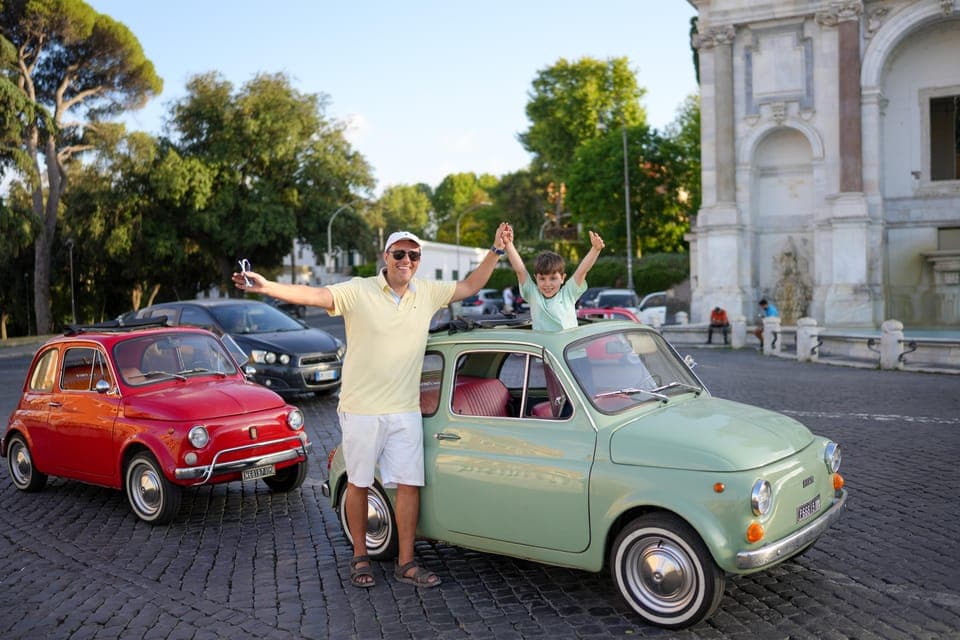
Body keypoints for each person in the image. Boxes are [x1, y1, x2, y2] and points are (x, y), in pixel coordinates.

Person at [232, 224, 509, 590]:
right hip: (361, 409)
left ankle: (406, 562)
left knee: (409, 484)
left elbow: (470, 285)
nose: (407, 260)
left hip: (405, 410)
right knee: (359, 483)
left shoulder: (427, 292)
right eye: (400, 254)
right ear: (386, 257)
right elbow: (315, 295)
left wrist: (496, 251)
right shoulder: (359, 289)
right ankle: (360, 556)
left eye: (413, 255)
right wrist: (268, 286)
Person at [503, 225, 604, 330]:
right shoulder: (533, 294)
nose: (547, 284)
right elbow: (520, 270)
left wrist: (595, 249)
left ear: (562, 278)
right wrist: (508, 244)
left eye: (553, 278)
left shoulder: (568, 293)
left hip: (568, 341)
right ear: (536, 278)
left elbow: (582, 271)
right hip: (541, 341)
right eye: (542, 278)